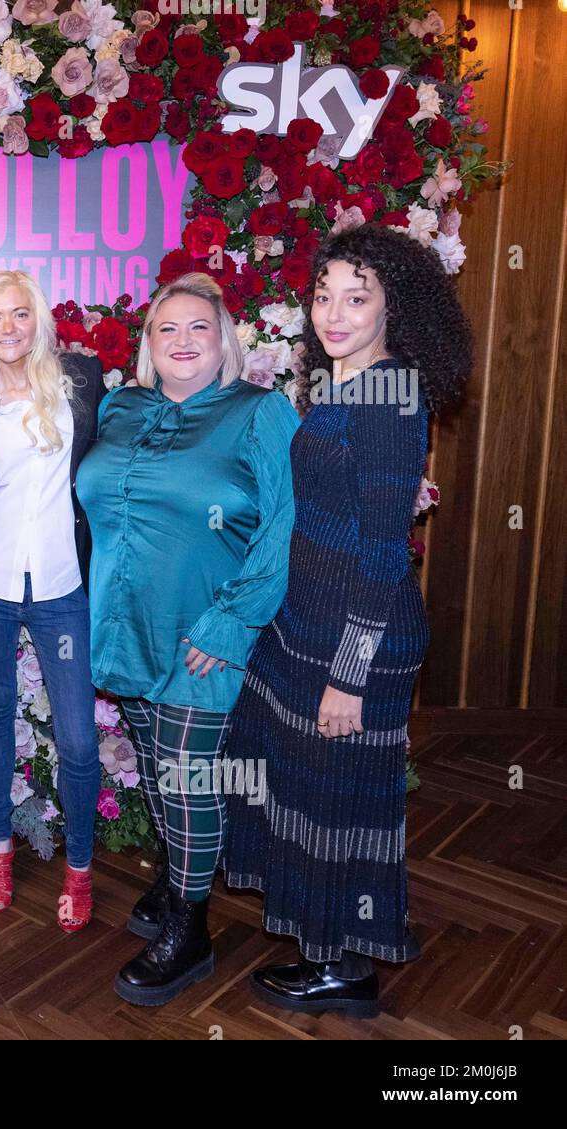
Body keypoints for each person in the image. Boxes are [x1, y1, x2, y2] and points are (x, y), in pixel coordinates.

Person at [222, 224, 474, 1017]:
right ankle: (322, 942)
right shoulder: (352, 384)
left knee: (338, 805)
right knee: (300, 788)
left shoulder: (391, 401)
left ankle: (344, 969)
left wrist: (348, 675)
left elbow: (382, 554)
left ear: (392, 308)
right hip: (311, 628)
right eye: (323, 295)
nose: (334, 313)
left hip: (356, 642)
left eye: (355, 298)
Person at [75, 272, 299, 1006]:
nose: (182, 340)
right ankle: (176, 883)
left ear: (224, 338)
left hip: (204, 630)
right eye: (166, 328)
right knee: (153, 759)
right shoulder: (121, 405)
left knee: (185, 773)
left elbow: (283, 527)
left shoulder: (259, 412)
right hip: (123, 619)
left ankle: (192, 929)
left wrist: (232, 621)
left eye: (198, 326)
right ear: (148, 343)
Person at [0, 269, 106, 932]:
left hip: (63, 588)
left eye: (19, 314)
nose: (8, 327)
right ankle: (0, 853)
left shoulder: (82, 380)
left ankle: (80, 866)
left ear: (37, 318)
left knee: (76, 736)